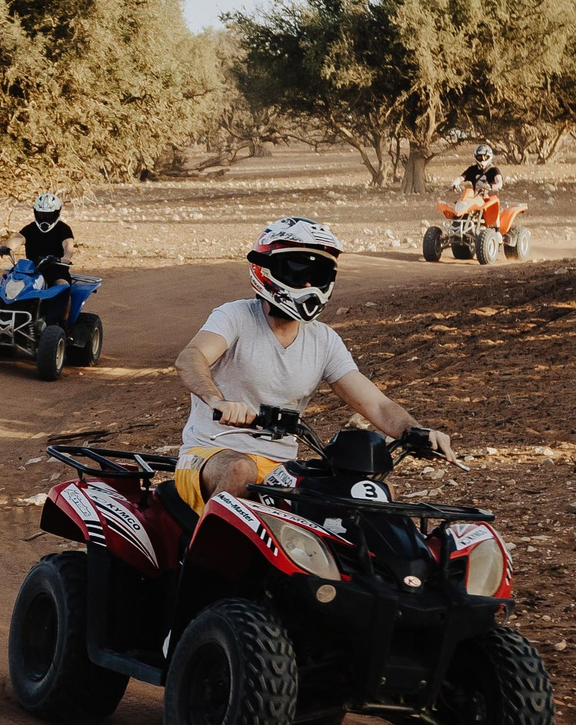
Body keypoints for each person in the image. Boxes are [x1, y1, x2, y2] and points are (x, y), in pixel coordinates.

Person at [173, 217, 454, 514]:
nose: (307, 284)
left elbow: (377, 405)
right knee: (239, 471)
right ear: (265, 270)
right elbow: (191, 358)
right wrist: (217, 401)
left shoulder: (323, 340)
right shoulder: (235, 317)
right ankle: (202, 559)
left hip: (280, 468)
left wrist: (417, 432)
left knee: (374, 494)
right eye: (296, 271)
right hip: (209, 454)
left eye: (317, 274)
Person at [0, 192, 76, 321]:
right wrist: (4, 247)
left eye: (49, 215)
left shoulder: (63, 229)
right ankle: (2, 316)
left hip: (56, 269)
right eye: (41, 214)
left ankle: (62, 325)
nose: (44, 218)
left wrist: (66, 257)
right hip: (31, 270)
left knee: (63, 287)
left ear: (57, 213)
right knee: (7, 281)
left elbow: (68, 246)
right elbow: (17, 239)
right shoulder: (30, 229)